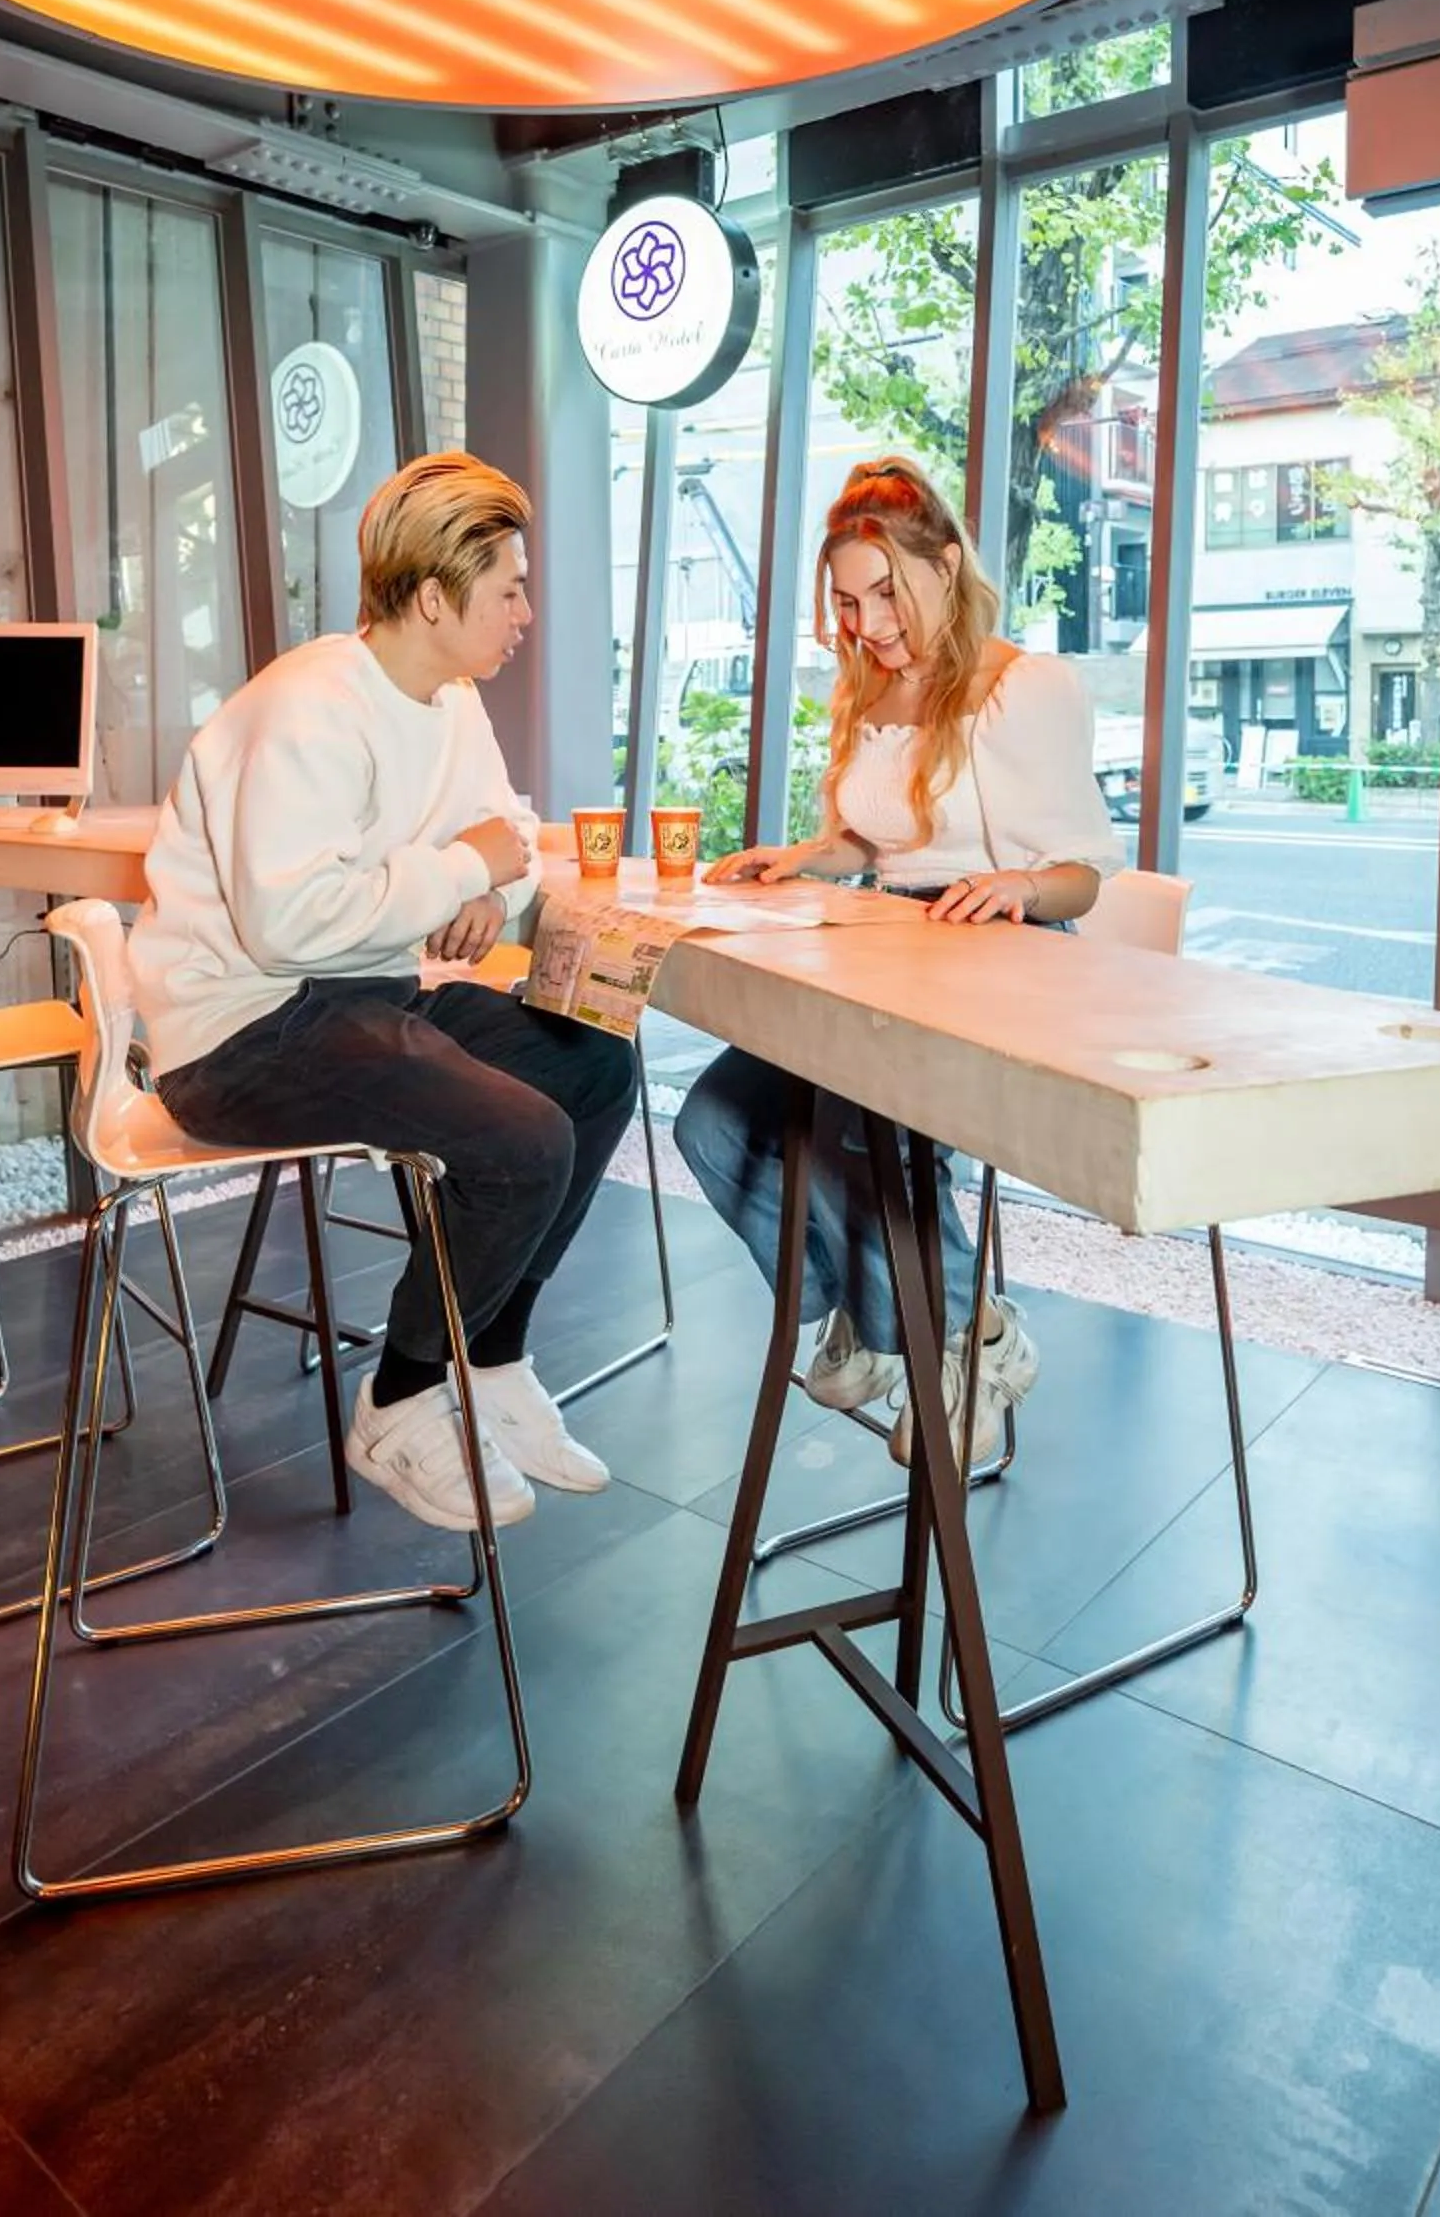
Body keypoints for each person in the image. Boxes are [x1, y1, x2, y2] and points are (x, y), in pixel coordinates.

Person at [129, 452, 638, 1534]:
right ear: (433, 599)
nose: (526, 614)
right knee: (522, 1142)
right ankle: (400, 1400)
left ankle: (490, 1362)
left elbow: (512, 836)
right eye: (508, 591)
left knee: (593, 1066)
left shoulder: (450, 702)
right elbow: (287, 923)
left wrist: (487, 890)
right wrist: (459, 869)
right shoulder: (308, 706)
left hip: (360, 996)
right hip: (237, 1035)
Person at [675, 456, 1123, 1465]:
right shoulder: (871, 684)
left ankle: (942, 1340)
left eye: (886, 594)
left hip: (1003, 953)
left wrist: (1019, 886)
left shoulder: (1025, 688)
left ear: (946, 565)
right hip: (891, 946)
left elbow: (1083, 876)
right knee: (714, 1122)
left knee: (861, 1125)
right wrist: (805, 855)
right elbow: (878, 842)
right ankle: (925, 1320)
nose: (867, 623)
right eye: (846, 601)